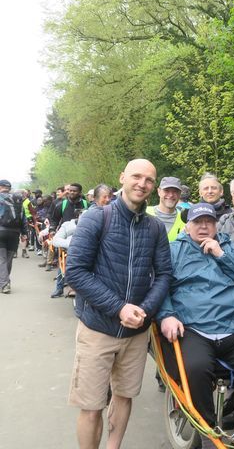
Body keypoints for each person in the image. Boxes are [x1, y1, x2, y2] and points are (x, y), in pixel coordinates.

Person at [65, 159, 172, 449]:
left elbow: (164, 275)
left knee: (124, 396)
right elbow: (74, 271)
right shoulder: (96, 217)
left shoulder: (154, 228)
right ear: (122, 177)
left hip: (135, 333)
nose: (142, 183)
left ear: (154, 186)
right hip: (98, 329)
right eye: (137, 176)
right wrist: (119, 307)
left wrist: (145, 310)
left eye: (149, 180)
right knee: (91, 405)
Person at [157, 203, 234, 448]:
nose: (204, 226)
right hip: (194, 328)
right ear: (188, 226)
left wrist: (221, 254)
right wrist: (166, 314)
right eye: (198, 222)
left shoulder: (227, 245)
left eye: (209, 221)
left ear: (217, 224)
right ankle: (206, 433)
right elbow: (160, 286)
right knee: (195, 368)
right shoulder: (174, 251)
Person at [0, 180, 28, 294]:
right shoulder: (17, 200)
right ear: (9, 188)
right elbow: (23, 217)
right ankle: (5, 281)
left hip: (1, 231)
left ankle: (5, 284)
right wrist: (24, 233)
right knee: (9, 258)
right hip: (14, 233)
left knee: (1, 259)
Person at [50, 208, 83, 298]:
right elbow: (55, 240)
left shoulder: (92, 226)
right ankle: (59, 288)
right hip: (70, 250)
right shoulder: (67, 225)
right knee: (65, 259)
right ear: (77, 216)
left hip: (86, 251)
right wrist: (72, 244)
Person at [146, 176, 186, 242]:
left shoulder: (185, 220)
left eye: (175, 191)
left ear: (180, 194)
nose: (171, 195)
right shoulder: (144, 213)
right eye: (166, 190)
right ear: (159, 191)